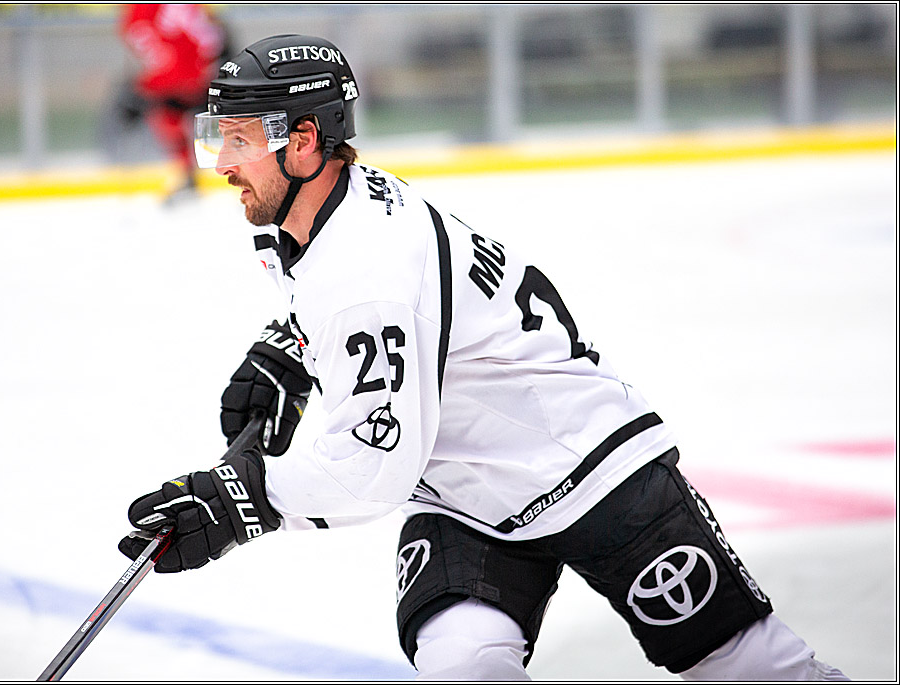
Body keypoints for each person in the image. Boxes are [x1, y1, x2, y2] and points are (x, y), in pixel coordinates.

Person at [118, 34, 849, 680]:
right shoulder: (306, 212)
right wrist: (288, 347)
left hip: (589, 465)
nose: (221, 164)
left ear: (304, 140)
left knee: (747, 666)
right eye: (221, 139)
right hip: (467, 491)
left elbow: (375, 466)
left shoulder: (366, 272)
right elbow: (338, 304)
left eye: (240, 141)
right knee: (462, 664)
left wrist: (247, 494)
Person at [116, 4, 230, 205]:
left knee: (173, 117)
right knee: (170, 119)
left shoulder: (141, 13)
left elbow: (203, 34)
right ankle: (190, 175)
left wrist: (148, 87)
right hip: (193, 70)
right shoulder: (140, 13)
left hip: (190, 73)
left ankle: (234, 170)